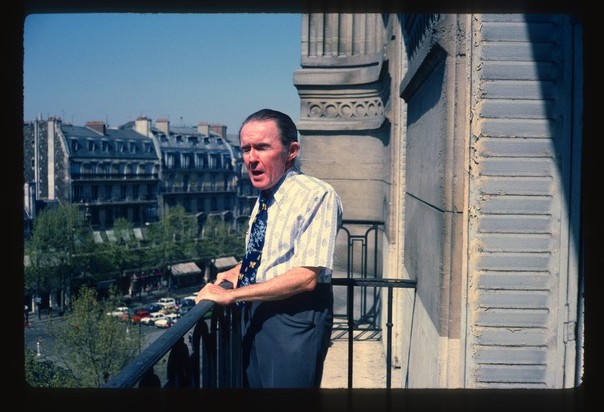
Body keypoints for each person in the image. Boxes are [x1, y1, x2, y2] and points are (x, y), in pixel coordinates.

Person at [195, 108, 343, 388]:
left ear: (291, 151)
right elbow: (274, 254)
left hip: (294, 318)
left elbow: (305, 277)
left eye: (262, 147)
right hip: (258, 311)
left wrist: (232, 295)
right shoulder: (267, 196)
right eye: (246, 149)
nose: (251, 158)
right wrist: (239, 270)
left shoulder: (317, 195)